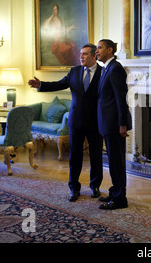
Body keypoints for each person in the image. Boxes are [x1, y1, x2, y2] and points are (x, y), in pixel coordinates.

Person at [28, 43, 103, 202]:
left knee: (96, 156)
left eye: (84, 54)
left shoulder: (103, 73)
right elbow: (58, 84)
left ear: (94, 55)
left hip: (96, 121)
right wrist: (41, 85)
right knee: (74, 157)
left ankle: (95, 186)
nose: (80, 57)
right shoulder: (74, 71)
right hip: (76, 121)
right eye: (80, 54)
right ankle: (74, 188)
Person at [95, 39, 132, 210]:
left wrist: (122, 124)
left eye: (100, 48)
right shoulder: (106, 68)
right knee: (113, 161)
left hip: (114, 125)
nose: (97, 51)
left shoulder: (116, 68)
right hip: (107, 123)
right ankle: (115, 191)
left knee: (117, 162)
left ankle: (119, 200)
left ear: (110, 50)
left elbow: (121, 99)